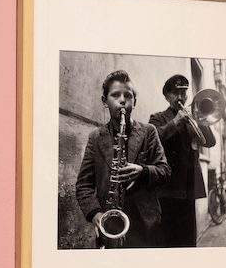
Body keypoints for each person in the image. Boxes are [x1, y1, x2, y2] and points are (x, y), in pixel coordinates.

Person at [76, 70, 170, 248]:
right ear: (105, 101)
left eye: (128, 95)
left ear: (134, 102)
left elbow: (164, 171)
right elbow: (83, 186)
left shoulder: (149, 131)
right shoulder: (95, 137)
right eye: (115, 95)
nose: (122, 100)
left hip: (145, 223)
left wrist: (142, 171)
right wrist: (95, 214)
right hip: (110, 222)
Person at [149, 74, 216, 247]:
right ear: (167, 96)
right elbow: (153, 140)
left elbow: (210, 142)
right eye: (175, 93)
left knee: (187, 242)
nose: (180, 98)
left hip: (188, 190)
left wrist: (201, 120)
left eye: (183, 93)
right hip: (167, 190)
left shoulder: (192, 119)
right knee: (167, 241)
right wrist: (176, 121)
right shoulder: (157, 118)